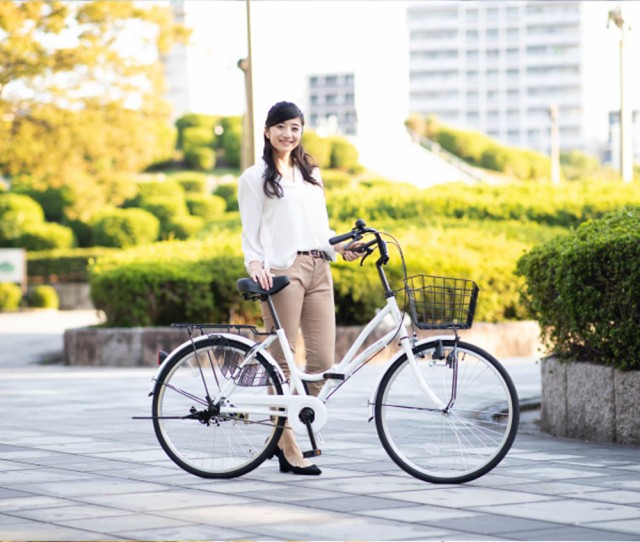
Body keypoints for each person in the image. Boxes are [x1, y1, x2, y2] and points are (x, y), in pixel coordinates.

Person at [238, 101, 360, 476]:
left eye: (295, 127)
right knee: (281, 363)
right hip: (282, 269)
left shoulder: (312, 173)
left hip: (320, 267)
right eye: (281, 127)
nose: (288, 134)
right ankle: (287, 443)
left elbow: (320, 227)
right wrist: (255, 263)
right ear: (267, 131)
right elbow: (250, 230)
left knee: (323, 361)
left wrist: (340, 247)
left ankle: (286, 421)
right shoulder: (254, 177)